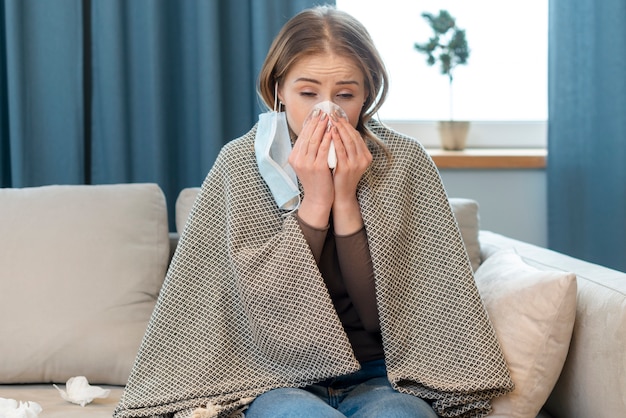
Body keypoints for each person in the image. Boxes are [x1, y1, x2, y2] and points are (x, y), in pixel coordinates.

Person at [114, 6, 513, 418]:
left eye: (345, 95)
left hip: (383, 374)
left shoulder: (404, 163)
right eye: (307, 94)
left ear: (367, 95)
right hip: (273, 377)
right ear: (278, 92)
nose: (328, 112)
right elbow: (265, 315)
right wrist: (316, 201)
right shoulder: (238, 164)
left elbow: (390, 316)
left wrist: (345, 199)